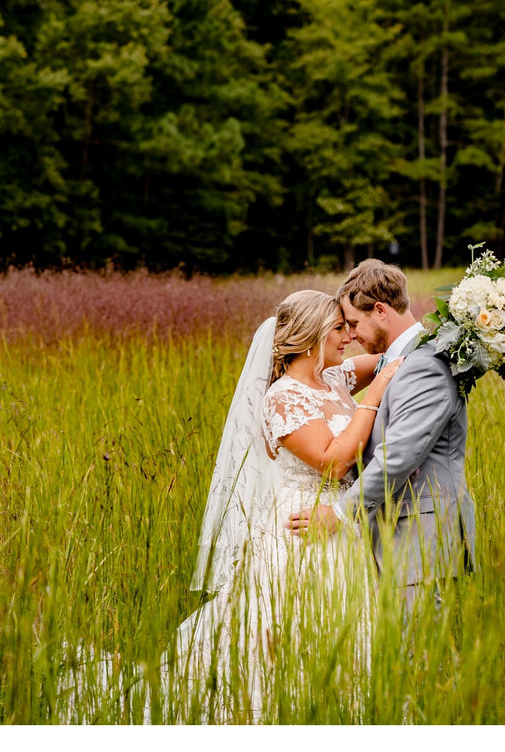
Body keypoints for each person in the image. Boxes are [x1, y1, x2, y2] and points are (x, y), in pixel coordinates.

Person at [149, 289, 402, 722]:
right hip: (302, 529)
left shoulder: (334, 378)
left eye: (348, 327)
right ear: (310, 336)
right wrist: (375, 393)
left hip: (343, 523)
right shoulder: (283, 397)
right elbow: (334, 461)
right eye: (338, 328)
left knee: (350, 623)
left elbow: (392, 357)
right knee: (297, 625)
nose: (349, 337)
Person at [287, 259, 477, 610]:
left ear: (380, 311)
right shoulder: (398, 359)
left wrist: (339, 513)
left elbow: (399, 456)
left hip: (422, 538)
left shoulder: (423, 365)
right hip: (398, 536)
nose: (351, 335)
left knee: (416, 643)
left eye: (354, 323)